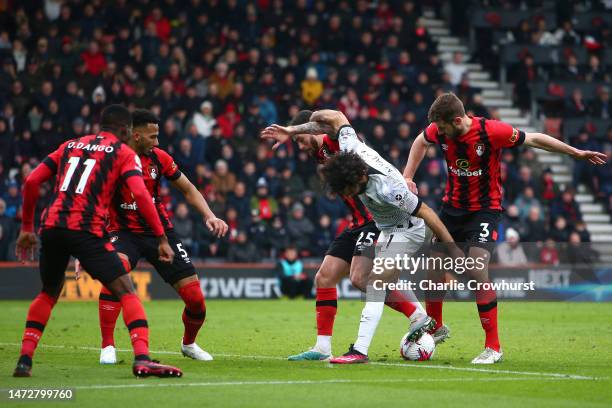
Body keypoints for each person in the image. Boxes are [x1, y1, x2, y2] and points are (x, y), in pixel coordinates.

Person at [402, 92, 606, 364]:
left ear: (458, 120)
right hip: (452, 209)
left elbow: (533, 138)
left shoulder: (491, 131)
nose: (438, 133)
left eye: (442, 128)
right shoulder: (439, 130)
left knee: (476, 269)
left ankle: (493, 346)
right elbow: (420, 141)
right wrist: (407, 175)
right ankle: (436, 327)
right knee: (435, 267)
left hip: (485, 210)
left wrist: (575, 153)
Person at [264, 110, 461, 364]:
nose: (300, 145)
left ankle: (373, 342)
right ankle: (324, 347)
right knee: (327, 277)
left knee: (369, 281)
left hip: (391, 225)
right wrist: (291, 131)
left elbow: (427, 213)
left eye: (302, 138)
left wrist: (450, 249)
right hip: (373, 224)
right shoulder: (346, 150)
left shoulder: (386, 187)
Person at [13, 105, 182, 378]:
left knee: (48, 292)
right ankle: (142, 358)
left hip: (53, 225)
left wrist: (26, 228)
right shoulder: (123, 152)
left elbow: (32, 181)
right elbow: (140, 195)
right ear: (127, 131)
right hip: (85, 228)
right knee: (126, 291)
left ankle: (24, 361)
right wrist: (161, 237)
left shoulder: (70, 145)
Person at [97, 109, 228, 364]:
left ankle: (189, 344)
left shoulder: (160, 158)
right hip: (123, 232)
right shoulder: (112, 159)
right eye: (152, 136)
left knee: (195, 299)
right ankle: (107, 346)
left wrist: (209, 215)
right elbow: (95, 200)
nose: (157, 142)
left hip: (160, 233)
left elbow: (188, 189)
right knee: (116, 271)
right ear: (136, 135)